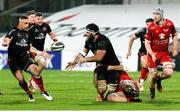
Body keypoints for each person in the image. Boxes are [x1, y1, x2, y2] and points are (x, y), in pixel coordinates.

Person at [66, 23, 120, 101]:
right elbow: (83, 53)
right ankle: (101, 96)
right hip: (101, 66)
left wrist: (84, 60)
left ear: (93, 33)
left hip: (113, 66)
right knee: (101, 90)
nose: (85, 34)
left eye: (87, 32)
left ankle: (112, 95)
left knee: (111, 90)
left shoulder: (103, 41)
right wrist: (74, 62)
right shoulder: (88, 40)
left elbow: (98, 57)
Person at [2, 16, 50, 101]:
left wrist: (40, 52)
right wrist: (6, 42)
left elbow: (30, 48)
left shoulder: (27, 34)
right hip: (13, 61)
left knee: (36, 73)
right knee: (21, 80)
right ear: (19, 23)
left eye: (28, 23)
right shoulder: (13, 31)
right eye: (25, 23)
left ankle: (43, 92)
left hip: (25, 59)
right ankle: (29, 93)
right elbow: (6, 39)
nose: (27, 25)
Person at [145, 7, 178, 99]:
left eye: (157, 14)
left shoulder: (169, 24)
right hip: (153, 54)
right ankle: (152, 94)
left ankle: (158, 80)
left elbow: (175, 35)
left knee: (169, 73)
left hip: (164, 53)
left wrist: (174, 49)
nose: (155, 16)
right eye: (154, 14)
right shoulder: (150, 27)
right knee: (152, 76)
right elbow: (147, 43)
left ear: (162, 15)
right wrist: (151, 54)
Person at [27, 12, 58, 100]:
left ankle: (32, 80)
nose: (40, 20)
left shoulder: (46, 26)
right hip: (32, 51)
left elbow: (51, 33)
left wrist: (54, 38)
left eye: (41, 19)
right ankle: (36, 83)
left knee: (37, 69)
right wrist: (40, 53)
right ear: (35, 19)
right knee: (43, 64)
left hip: (40, 50)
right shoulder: (31, 29)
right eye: (38, 19)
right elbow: (28, 46)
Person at [126, 18, 154, 91]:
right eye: (147, 24)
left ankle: (136, 83)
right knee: (146, 65)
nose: (149, 26)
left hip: (152, 53)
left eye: (150, 24)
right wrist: (129, 51)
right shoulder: (143, 31)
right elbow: (132, 38)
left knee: (146, 73)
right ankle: (140, 84)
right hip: (143, 52)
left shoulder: (157, 31)